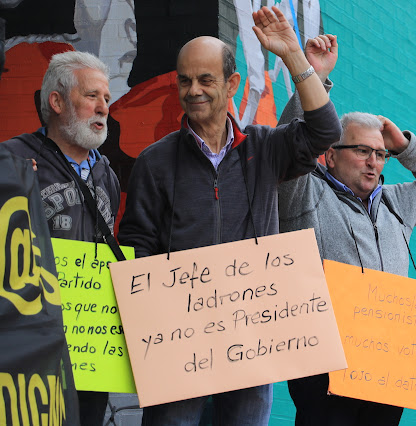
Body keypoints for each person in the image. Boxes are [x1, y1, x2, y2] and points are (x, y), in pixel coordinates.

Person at [117, 5, 341, 426]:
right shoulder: (154, 161)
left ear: (232, 83)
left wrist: (293, 55)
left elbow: (324, 131)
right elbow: (137, 246)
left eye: (206, 79)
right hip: (179, 341)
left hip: (251, 338)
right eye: (185, 80)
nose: (194, 90)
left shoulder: (266, 148)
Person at [277, 36, 416, 426]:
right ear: (329, 155)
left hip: (387, 363)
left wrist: (405, 146)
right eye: (362, 151)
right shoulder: (305, 193)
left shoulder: (397, 201)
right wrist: (314, 77)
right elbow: (292, 146)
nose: (373, 162)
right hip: (324, 364)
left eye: (380, 155)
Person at [1, 50, 120, 425]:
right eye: (91, 96)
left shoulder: (108, 176)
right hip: (32, 344)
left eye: (106, 99)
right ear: (56, 101)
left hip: (90, 346)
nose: (103, 107)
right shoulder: (12, 160)